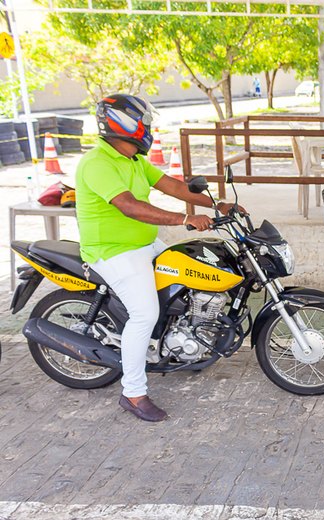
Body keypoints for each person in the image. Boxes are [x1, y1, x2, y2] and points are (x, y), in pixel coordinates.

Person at [76, 94, 245, 422]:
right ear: (124, 124)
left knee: (189, 276)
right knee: (144, 313)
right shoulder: (97, 162)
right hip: (112, 251)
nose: (148, 128)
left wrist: (218, 205)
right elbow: (128, 205)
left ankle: (180, 345)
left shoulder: (134, 161)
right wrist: (184, 219)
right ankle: (133, 393)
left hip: (143, 244)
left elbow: (175, 186)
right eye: (144, 122)